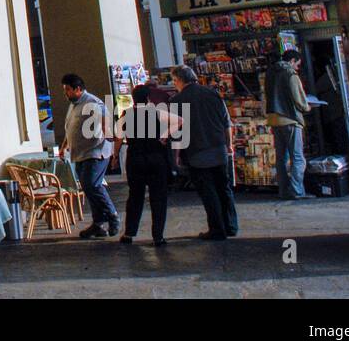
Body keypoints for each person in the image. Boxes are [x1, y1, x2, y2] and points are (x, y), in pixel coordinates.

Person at [168, 64, 238, 240]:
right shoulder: (213, 94)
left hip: (197, 152)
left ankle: (217, 228)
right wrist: (228, 144)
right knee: (224, 188)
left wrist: (176, 157)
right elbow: (226, 123)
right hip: (219, 149)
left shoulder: (177, 101)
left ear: (178, 80)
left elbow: (178, 134)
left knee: (208, 191)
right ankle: (231, 225)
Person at [58, 73, 119, 238]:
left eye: (68, 90)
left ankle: (112, 215)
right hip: (80, 153)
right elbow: (70, 128)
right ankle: (98, 223)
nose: (65, 93)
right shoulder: (74, 105)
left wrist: (110, 139)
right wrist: (64, 147)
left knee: (92, 184)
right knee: (87, 186)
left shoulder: (92, 102)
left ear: (78, 89)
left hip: (95, 151)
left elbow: (105, 121)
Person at [111, 84, 171, 246]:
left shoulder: (127, 114)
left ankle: (129, 233)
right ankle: (158, 236)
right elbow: (179, 121)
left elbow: (118, 137)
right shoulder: (156, 112)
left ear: (133, 98)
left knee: (135, 196)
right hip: (156, 157)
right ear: (148, 98)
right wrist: (164, 136)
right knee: (158, 197)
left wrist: (115, 156)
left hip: (135, 159)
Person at [266, 49, 312, 200]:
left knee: (281, 158)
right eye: (297, 65)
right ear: (292, 61)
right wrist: (307, 107)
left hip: (274, 118)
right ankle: (297, 191)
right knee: (298, 157)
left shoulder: (270, 73)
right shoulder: (290, 74)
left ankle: (283, 191)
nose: (297, 68)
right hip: (289, 118)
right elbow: (298, 99)